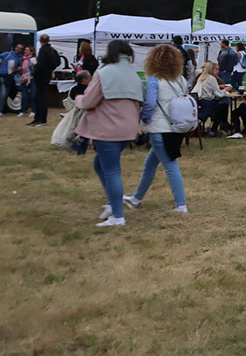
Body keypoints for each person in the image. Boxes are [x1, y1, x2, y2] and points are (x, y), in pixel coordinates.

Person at [74, 40, 143, 227]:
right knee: (100, 165)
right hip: (127, 131)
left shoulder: (103, 73)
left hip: (107, 130)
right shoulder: (134, 75)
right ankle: (114, 204)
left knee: (111, 170)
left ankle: (118, 216)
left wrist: (78, 100)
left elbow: (88, 102)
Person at [125, 44, 189, 214]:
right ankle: (136, 198)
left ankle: (181, 205)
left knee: (170, 166)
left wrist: (144, 117)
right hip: (176, 127)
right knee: (150, 163)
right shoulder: (181, 80)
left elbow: (150, 104)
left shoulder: (154, 80)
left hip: (159, 128)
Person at [191, 62, 233, 136]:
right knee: (222, 107)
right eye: (216, 69)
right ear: (211, 69)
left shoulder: (202, 77)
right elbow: (218, 94)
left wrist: (219, 88)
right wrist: (226, 89)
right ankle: (215, 129)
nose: (218, 71)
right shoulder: (211, 78)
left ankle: (217, 128)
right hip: (206, 103)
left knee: (221, 106)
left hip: (199, 103)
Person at [31, 34, 58, 126]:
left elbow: (41, 64)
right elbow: (57, 62)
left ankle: (40, 119)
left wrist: (33, 72)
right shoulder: (52, 50)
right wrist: (50, 69)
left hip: (40, 76)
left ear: (40, 41)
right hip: (47, 75)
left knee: (40, 98)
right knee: (41, 97)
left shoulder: (43, 50)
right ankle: (39, 119)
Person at [0, 42, 20, 117]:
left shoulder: (18, 58)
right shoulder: (7, 54)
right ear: (15, 48)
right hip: (2, 76)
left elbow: (15, 69)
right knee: (3, 94)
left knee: (4, 94)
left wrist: (17, 69)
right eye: (17, 47)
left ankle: (1, 111)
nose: (18, 49)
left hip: (9, 78)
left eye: (20, 48)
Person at [18, 46, 34, 117]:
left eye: (27, 50)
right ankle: (22, 110)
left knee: (33, 95)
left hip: (31, 79)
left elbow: (35, 69)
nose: (25, 51)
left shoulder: (33, 59)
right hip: (23, 78)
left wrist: (29, 75)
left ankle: (33, 110)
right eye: (25, 50)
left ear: (31, 52)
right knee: (24, 96)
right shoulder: (22, 59)